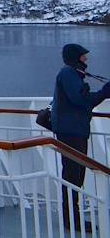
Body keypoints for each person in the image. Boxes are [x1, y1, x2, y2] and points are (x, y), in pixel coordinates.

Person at [51, 43, 110, 232]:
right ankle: (72, 221)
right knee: (73, 176)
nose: (87, 59)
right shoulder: (68, 74)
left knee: (74, 175)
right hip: (71, 132)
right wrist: (105, 92)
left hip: (73, 130)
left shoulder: (70, 73)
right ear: (76, 58)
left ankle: (72, 219)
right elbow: (82, 101)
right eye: (84, 56)